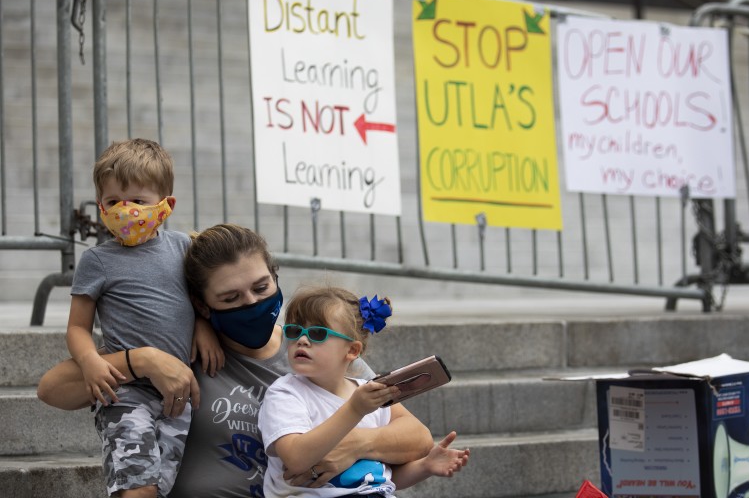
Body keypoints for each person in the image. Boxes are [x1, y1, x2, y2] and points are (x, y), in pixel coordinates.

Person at [38, 223, 435, 498]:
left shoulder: (314, 351)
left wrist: (349, 445)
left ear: (275, 277)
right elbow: (53, 390)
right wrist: (142, 358)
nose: (251, 304)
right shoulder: (185, 352)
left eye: (262, 287)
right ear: (202, 306)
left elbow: (415, 437)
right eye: (230, 299)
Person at [65, 138, 221, 498]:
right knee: (138, 488)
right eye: (113, 201)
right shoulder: (96, 261)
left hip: (176, 395)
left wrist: (201, 326)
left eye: (137, 201)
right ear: (100, 206)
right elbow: (76, 327)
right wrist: (89, 361)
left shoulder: (183, 248)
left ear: (166, 205)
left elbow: (197, 300)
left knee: (161, 488)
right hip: (124, 391)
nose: (125, 210)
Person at [259, 286, 469, 497]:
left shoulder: (365, 393)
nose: (302, 340)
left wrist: (425, 467)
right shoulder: (285, 393)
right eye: (294, 331)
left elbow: (379, 477)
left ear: (352, 350)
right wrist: (355, 409)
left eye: (317, 333)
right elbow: (295, 458)